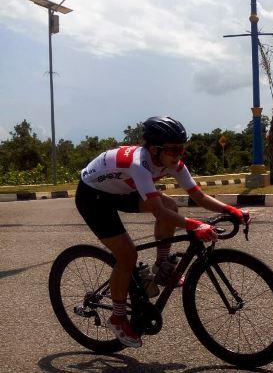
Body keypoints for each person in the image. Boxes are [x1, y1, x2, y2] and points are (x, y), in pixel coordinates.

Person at [75, 116, 246, 348]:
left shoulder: (172, 162)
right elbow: (159, 213)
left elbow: (198, 196)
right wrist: (197, 225)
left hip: (122, 190)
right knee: (127, 255)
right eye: (173, 150)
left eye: (182, 149)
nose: (178, 155)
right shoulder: (139, 163)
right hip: (92, 196)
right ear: (154, 150)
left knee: (172, 205)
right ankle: (117, 317)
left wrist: (232, 210)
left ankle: (162, 266)